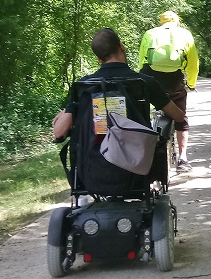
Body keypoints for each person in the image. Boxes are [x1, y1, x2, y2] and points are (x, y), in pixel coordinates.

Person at [52, 28, 185, 142]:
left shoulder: (84, 86)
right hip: (137, 160)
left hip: (94, 161)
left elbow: (59, 132)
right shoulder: (144, 82)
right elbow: (178, 116)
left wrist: (68, 109)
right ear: (122, 47)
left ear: (99, 59)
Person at [138, 11, 199, 173]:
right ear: (177, 22)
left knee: (141, 109)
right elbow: (193, 63)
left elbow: (142, 59)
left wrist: (141, 81)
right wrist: (191, 84)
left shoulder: (150, 33)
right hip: (173, 79)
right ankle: (183, 158)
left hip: (150, 76)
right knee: (180, 116)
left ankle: (141, 153)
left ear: (161, 22)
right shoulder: (185, 34)